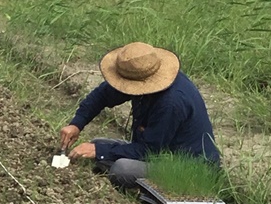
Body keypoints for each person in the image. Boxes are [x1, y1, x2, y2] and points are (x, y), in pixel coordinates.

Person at [59, 42, 220, 188]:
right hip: (158, 153)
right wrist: (77, 124)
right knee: (97, 144)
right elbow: (102, 96)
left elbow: (148, 151)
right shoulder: (140, 75)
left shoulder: (171, 103)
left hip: (188, 167)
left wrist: (99, 150)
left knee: (122, 168)